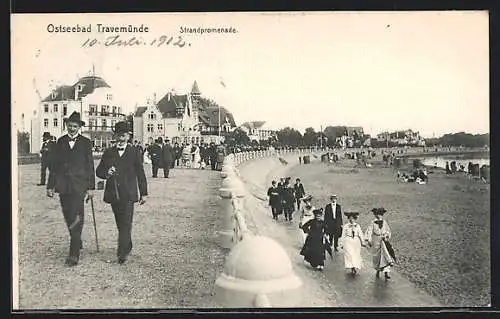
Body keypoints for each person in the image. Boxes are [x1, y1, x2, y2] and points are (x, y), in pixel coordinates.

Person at [46, 112, 95, 266]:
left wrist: (91, 187)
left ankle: (73, 253)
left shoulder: (86, 143)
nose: (72, 128)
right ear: (66, 126)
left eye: (75, 126)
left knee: (76, 216)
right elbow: (54, 165)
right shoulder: (60, 142)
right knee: (68, 215)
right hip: (63, 185)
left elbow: (90, 166)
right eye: (70, 126)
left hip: (79, 185)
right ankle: (77, 238)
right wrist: (50, 185)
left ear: (80, 127)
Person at [96, 121, 148, 264]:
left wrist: (144, 193)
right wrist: (107, 172)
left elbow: (140, 173)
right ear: (115, 136)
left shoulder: (134, 152)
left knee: (125, 222)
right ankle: (127, 244)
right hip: (114, 194)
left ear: (128, 137)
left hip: (129, 193)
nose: (120, 139)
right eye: (118, 136)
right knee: (120, 222)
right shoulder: (108, 152)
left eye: (123, 136)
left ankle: (122, 253)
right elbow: (99, 171)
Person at [365, 208, 395, 280]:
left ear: (382, 215)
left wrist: (386, 236)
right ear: (375, 215)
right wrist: (369, 239)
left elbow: (388, 231)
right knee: (377, 257)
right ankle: (378, 271)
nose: (378, 216)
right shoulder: (373, 222)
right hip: (376, 241)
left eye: (380, 214)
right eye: (377, 214)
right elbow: (369, 231)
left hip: (383, 241)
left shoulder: (384, 222)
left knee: (386, 256)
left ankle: (386, 273)